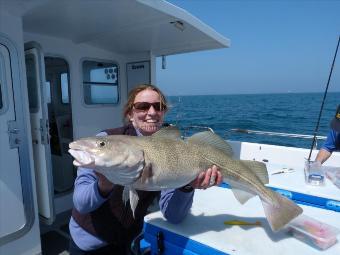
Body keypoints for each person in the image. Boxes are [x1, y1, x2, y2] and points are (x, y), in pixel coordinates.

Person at [68, 84, 223, 255]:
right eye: (142, 106)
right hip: (88, 244)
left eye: (158, 107)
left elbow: (173, 216)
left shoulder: (170, 151)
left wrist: (186, 186)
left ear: (163, 113)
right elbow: (81, 203)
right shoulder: (105, 140)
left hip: (129, 241)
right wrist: (104, 184)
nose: (152, 112)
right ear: (130, 114)